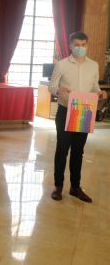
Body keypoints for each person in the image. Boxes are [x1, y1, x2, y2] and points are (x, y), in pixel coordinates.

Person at [48, 31, 107, 203]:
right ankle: (58, 186)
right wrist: (59, 90)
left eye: (83, 45)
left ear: (87, 45)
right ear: (70, 46)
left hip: (84, 111)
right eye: (77, 45)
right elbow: (51, 86)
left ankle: (75, 187)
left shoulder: (93, 65)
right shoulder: (61, 64)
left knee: (78, 151)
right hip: (66, 111)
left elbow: (94, 86)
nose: (80, 48)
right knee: (62, 150)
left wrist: (100, 92)